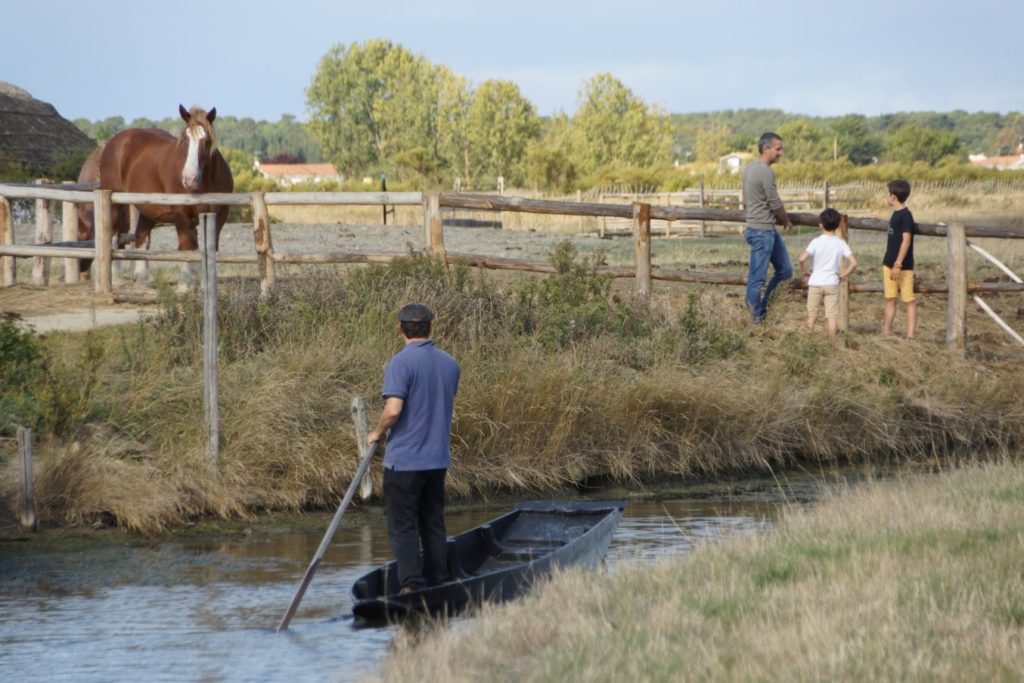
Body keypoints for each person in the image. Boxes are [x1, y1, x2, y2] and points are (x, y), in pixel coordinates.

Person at [367, 303, 460, 594]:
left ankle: (411, 585)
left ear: (400, 329)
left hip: (404, 462)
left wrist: (378, 433)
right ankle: (439, 579)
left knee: (403, 526)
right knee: (432, 522)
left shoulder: (400, 363)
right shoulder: (450, 363)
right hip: (436, 461)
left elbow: (394, 410)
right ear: (432, 327)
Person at [743, 131, 795, 322]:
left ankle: (762, 309)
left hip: (763, 229)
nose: (781, 153)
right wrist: (787, 220)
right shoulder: (765, 171)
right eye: (778, 149)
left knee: (786, 271)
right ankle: (754, 317)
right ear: (766, 149)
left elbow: (746, 199)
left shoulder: (749, 168)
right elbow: (774, 202)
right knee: (757, 278)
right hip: (761, 231)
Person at [798, 208, 858, 338]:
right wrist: (843, 275)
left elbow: (801, 259)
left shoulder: (816, 242)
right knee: (831, 317)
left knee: (812, 315)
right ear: (837, 226)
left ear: (821, 224)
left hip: (815, 283)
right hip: (832, 283)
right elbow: (854, 263)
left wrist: (805, 271)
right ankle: (832, 344)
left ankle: (807, 341)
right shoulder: (841, 243)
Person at [881, 179, 917, 340]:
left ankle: (910, 335)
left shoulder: (906, 216)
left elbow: (906, 240)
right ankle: (886, 332)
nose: (886, 196)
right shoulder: (896, 214)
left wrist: (898, 264)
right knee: (890, 298)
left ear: (893, 197)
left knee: (908, 300)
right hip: (888, 263)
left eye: (887, 194)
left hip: (902, 266)